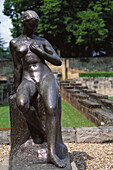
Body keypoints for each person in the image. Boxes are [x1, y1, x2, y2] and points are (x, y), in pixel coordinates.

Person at [10, 10, 66, 168]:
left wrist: (41, 52)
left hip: (45, 76)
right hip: (28, 79)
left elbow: (57, 61)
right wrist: (15, 89)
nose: (35, 28)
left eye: (36, 26)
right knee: (21, 103)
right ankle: (43, 131)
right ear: (24, 23)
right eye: (32, 25)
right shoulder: (15, 43)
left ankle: (52, 153)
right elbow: (17, 68)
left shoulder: (42, 41)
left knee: (51, 107)